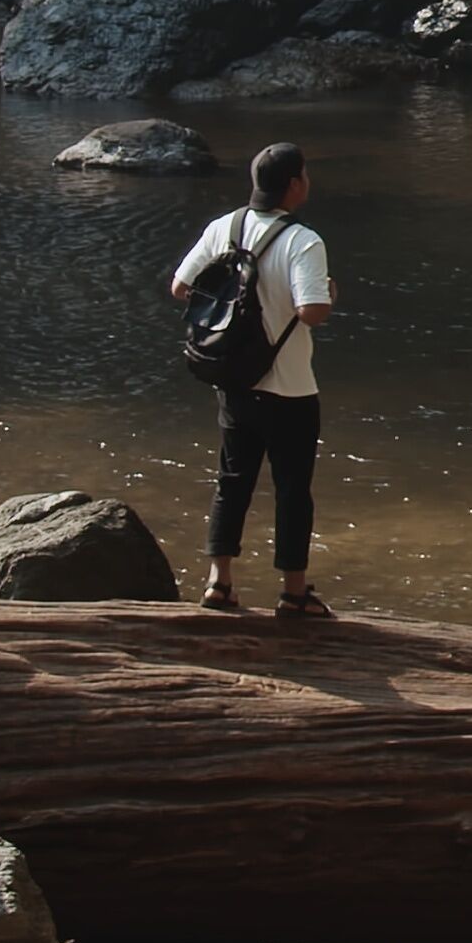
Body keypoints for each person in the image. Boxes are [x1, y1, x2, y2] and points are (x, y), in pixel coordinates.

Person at [172, 141, 335, 615]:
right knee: (292, 489)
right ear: (294, 184)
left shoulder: (224, 226)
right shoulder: (304, 240)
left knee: (231, 481)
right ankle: (293, 592)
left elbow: (181, 287)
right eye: (305, 175)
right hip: (290, 388)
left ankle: (218, 584)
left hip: (236, 381)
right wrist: (330, 292)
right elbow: (312, 312)